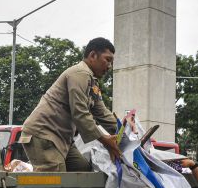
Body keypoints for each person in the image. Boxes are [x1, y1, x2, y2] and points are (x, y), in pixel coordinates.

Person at [19, 37, 121, 171]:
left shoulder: (92, 82)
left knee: (83, 170)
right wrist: (105, 140)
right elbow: (80, 114)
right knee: (56, 183)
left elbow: (102, 113)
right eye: (107, 59)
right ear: (93, 55)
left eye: (111, 62)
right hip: (43, 134)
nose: (109, 66)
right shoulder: (80, 74)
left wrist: (124, 133)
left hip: (61, 138)